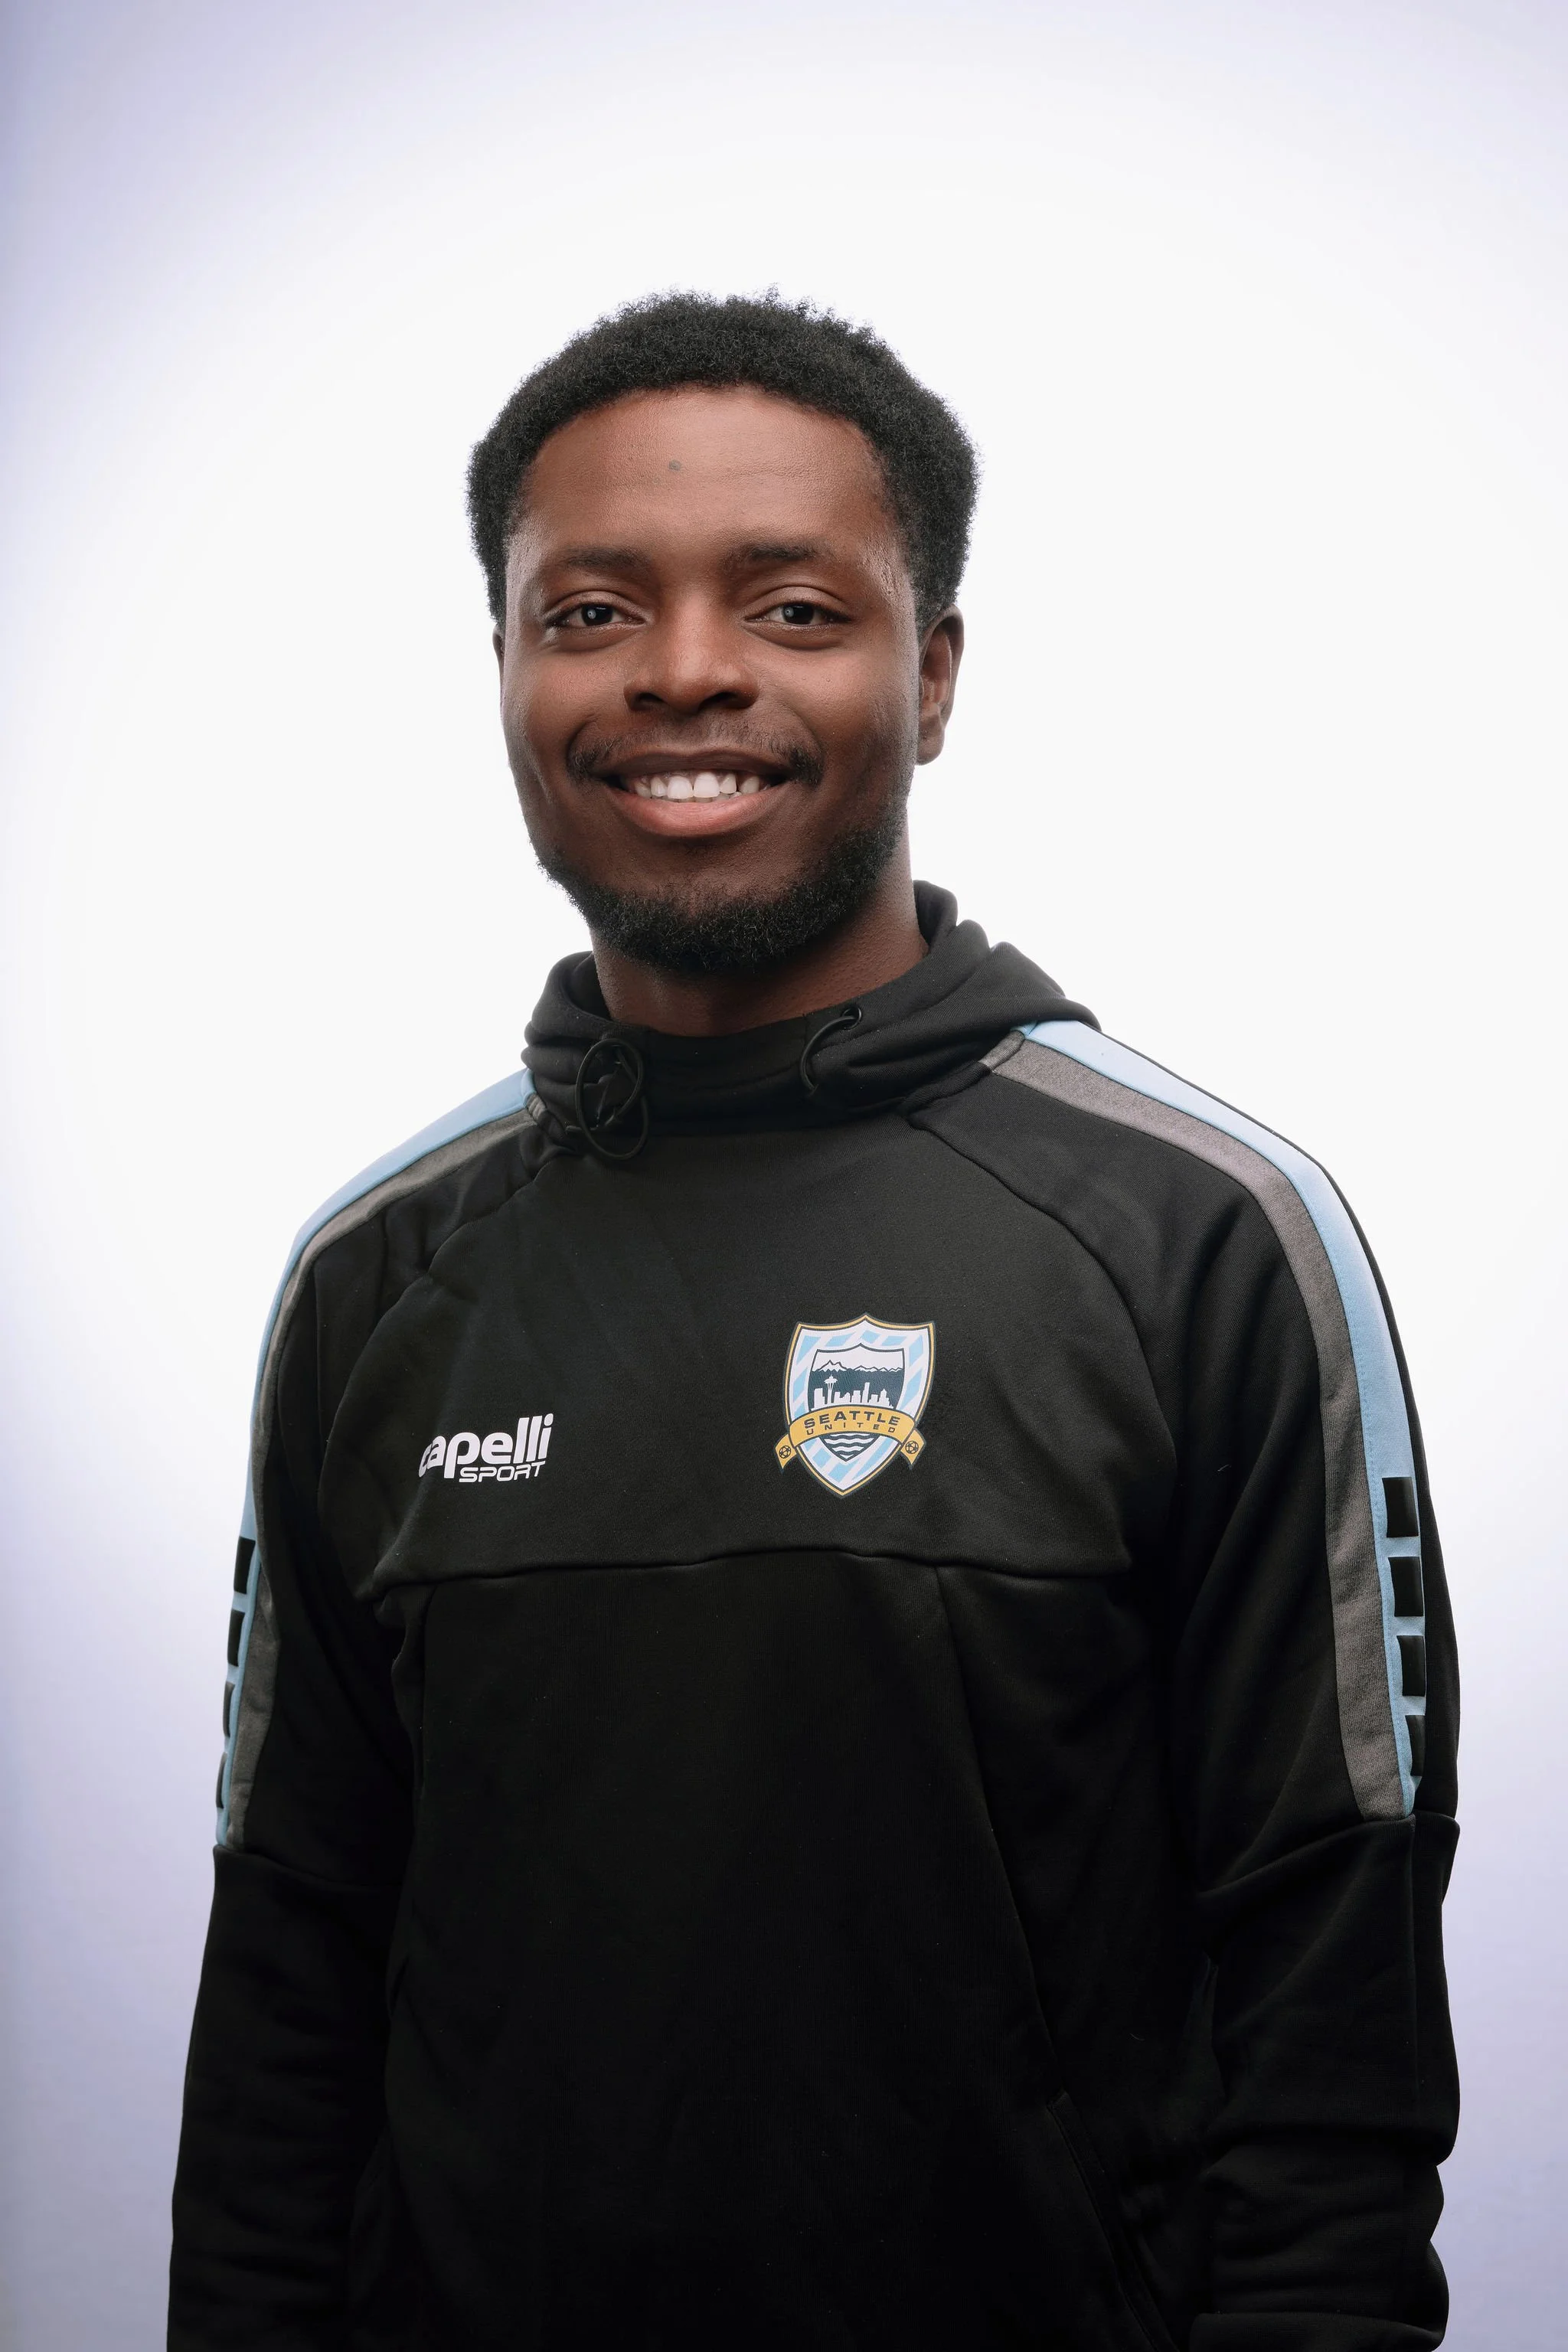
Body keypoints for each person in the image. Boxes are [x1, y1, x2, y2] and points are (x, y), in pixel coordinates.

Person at [169, 293, 1459, 2350]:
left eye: (790, 606)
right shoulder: (374, 1279)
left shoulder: (1205, 1236)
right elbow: (291, 1991)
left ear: (930, 676)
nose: (686, 673)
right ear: (503, 668)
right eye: (589, 610)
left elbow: (1332, 2030)